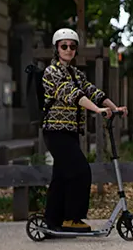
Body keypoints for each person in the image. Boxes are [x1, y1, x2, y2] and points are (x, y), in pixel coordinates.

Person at [42, 28, 127, 232]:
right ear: (56, 48)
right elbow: (73, 94)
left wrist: (115, 108)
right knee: (80, 171)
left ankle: (52, 221)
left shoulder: (76, 73)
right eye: (64, 46)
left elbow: (93, 92)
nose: (68, 49)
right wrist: (97, 110)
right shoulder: (51, 72)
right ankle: (72, 218)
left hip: (70, 132)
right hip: (55, 131)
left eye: (72, 46)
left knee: (61, 176)